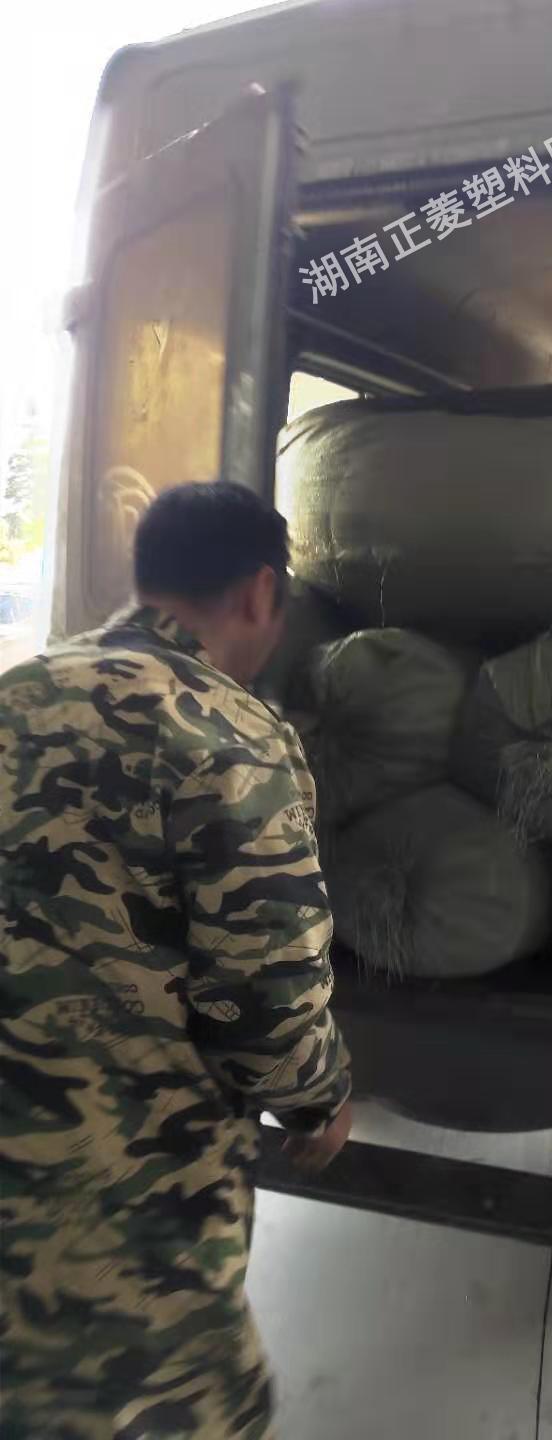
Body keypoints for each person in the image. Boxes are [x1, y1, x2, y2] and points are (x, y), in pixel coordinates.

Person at [0, 482, 352, 1439]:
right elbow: (263, 996)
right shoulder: (230, 736)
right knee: (166, 1404)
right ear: (260, 593)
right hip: (128, 1183)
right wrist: (319, 1099)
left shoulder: (19, 690)